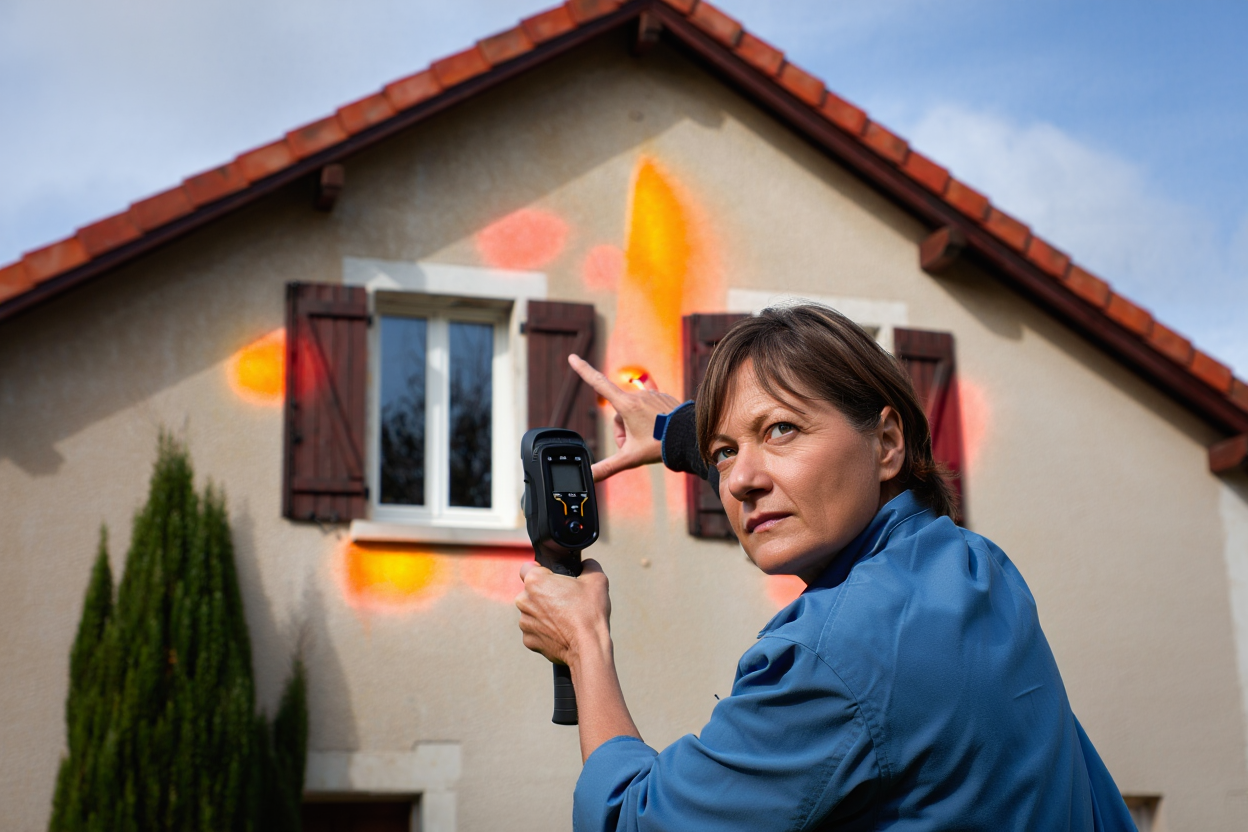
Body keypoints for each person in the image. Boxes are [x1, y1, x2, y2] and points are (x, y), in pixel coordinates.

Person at [515, 304, 1134, 830]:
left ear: (887, 443)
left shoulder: (831, 659)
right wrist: (681, 432)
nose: (741, 482)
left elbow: (634, 819)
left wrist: (584, 645)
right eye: (725, 453)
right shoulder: (977, 569)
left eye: (782, 428)